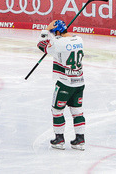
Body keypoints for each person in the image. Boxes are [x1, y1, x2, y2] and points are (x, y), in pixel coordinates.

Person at [36, 19, 86, 150]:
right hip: (79, 82)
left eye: (54, 32)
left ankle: (59, 139)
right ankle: (80, 139)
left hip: (65, 83)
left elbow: (41, 45)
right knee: (77, 111)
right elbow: (66, 40)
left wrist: (46, 32)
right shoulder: (79, 39)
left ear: (57, 31)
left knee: (57, 111)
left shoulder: (57, 44)